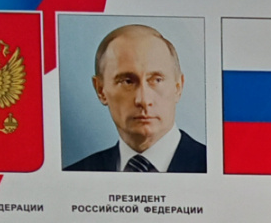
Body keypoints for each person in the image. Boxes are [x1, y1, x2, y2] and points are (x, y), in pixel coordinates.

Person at [65, 23, 207, 172]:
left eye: (157, 80)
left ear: (178, 87)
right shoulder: (74, 175)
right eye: (127, 82)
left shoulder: (215, 166)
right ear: (100, 90)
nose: (144, 100)